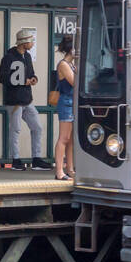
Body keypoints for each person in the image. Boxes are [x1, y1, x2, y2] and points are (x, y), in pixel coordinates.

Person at [0, 28, 49, 171]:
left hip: (27, 99)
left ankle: (36, 159)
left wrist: (34, 79)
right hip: (14, 101)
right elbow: (1, 77)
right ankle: (15, 160)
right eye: (31, 40)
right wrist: (22, 81)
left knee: (37, 127)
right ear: (23, 42)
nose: (33, 43)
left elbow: (31, 73)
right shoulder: (8, 58)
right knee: (16, 129)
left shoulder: (27, 56)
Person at [54, 34, 77, 181]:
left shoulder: (72, 65)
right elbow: (75, 82)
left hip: (72, 102)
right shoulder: (63, 64)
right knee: (64, 137)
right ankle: (59, 171)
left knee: (71, 139)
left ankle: (70, 168)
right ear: (72, 50)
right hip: (66, 101)